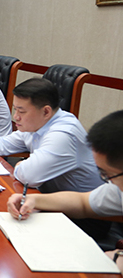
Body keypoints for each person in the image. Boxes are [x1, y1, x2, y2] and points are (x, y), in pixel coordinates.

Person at [0, 78, 102, 193]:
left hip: (82, 216)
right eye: (15, 109)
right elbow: (4, 143)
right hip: (49, 198)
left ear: (46, 111)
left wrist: (21, 165)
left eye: (22, 111)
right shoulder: (37, 124)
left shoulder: (63, 134)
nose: (16, 117)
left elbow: (30, 176)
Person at [7, 110, 123, 267]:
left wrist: (118, 258)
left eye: (107, 174)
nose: (106, 180)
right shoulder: (117, 187)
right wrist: (34, 199)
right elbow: (83, 202)